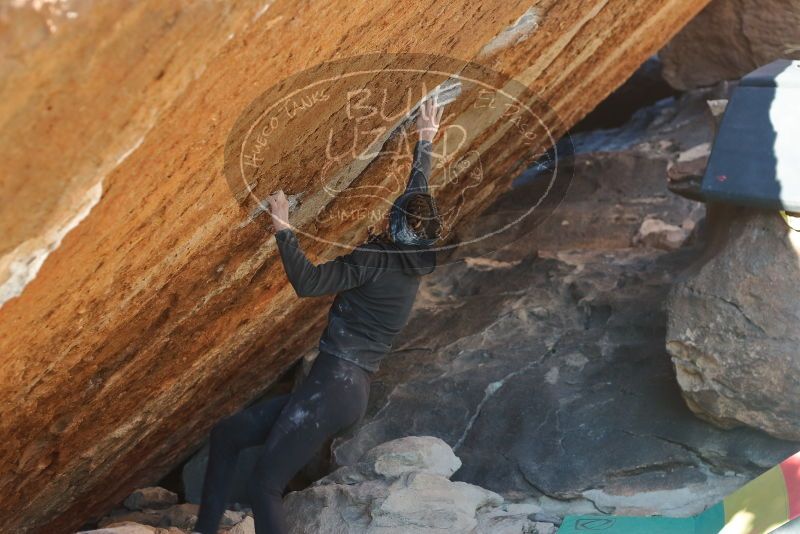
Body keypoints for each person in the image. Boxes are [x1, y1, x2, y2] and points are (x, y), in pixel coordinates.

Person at [193, 99, 445, 534]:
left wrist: (283, 229)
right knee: (228, 434)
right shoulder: (414, 259)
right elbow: (414, 198)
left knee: (264, 485)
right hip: (343, 389)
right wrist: (425, 141)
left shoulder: (373, 260)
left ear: (393, 225)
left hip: (332, 389)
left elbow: (308, 283)